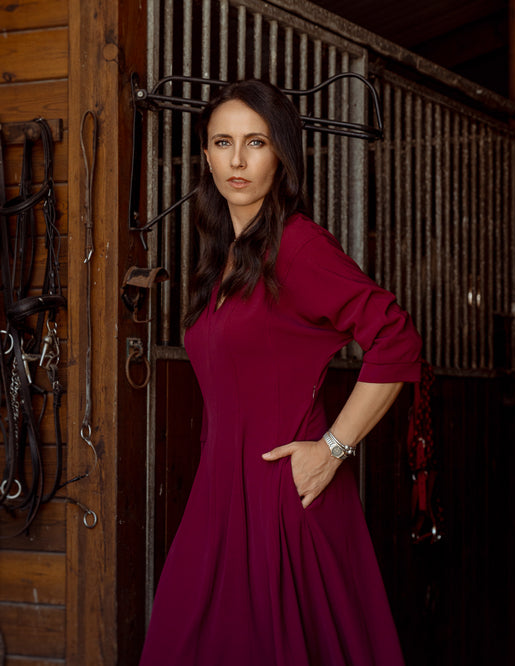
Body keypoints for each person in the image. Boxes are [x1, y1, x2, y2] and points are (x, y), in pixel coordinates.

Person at [139, 79, 422, 666]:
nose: (237, 160)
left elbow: (395, 337)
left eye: (256, 142)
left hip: (284, 493)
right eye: (223, 142)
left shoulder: (298, 245)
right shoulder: (224, 257)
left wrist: (332, 449)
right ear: (206, 156)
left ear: (282, 154)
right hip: (220, 495)